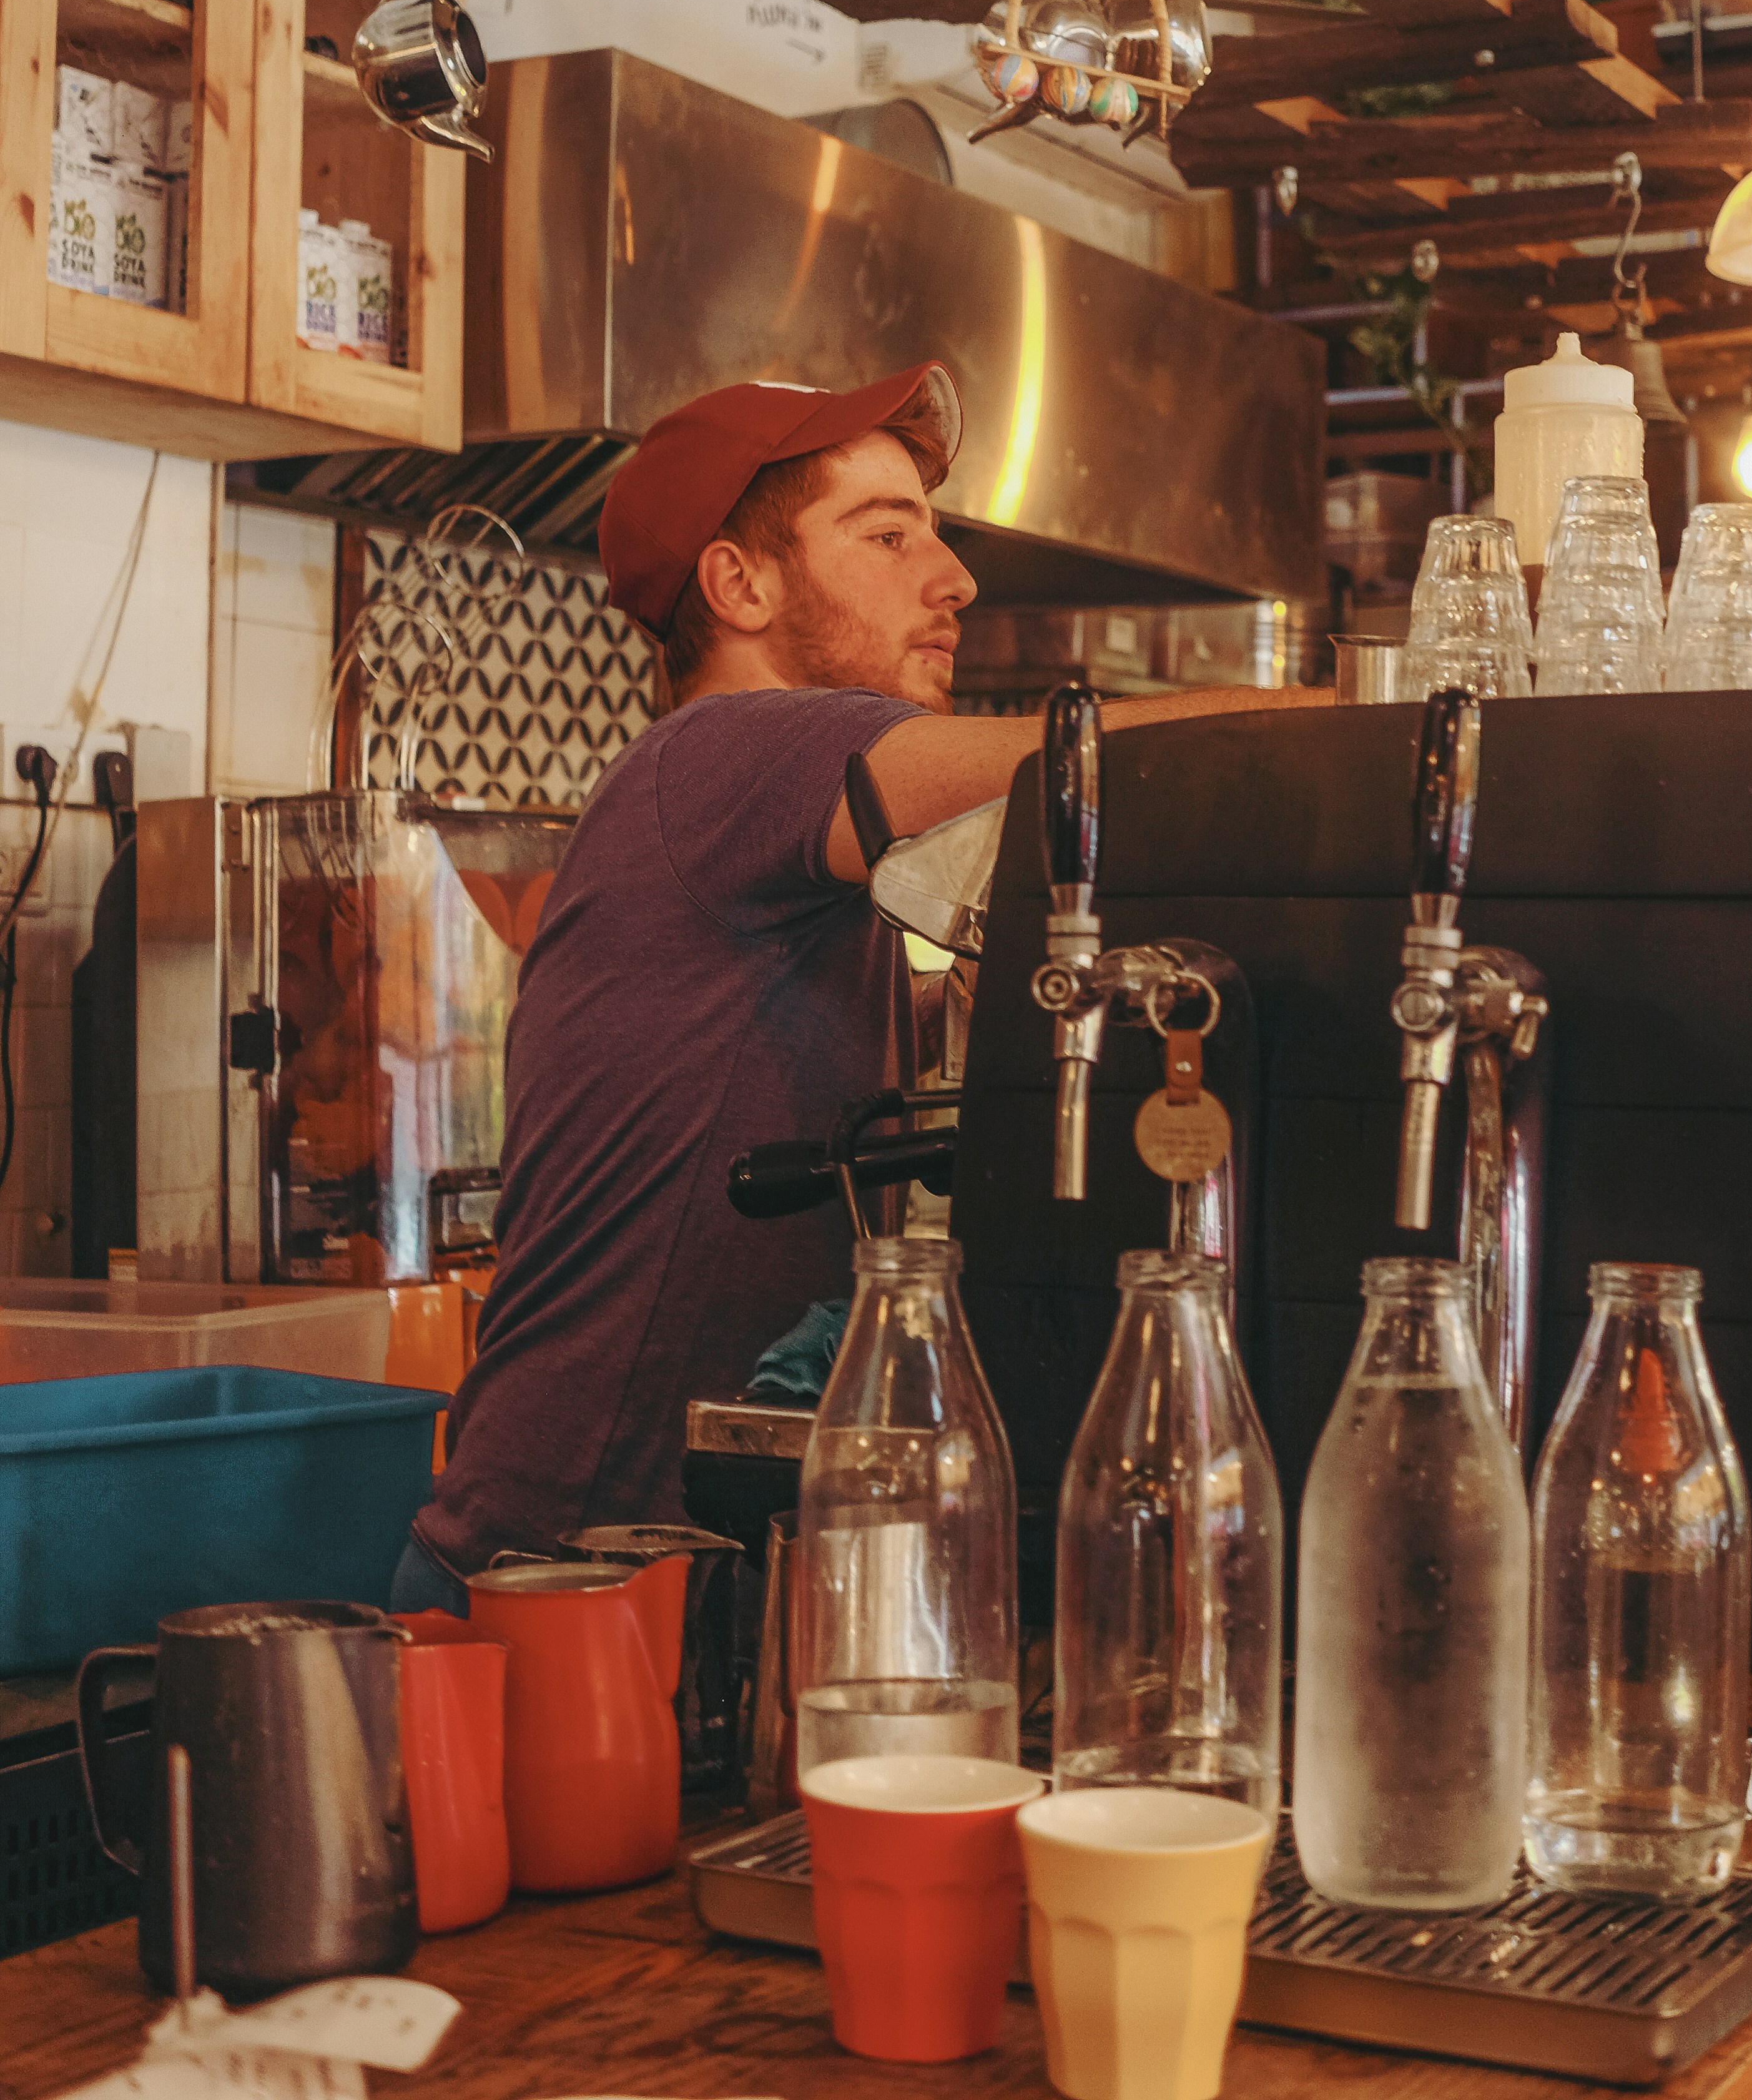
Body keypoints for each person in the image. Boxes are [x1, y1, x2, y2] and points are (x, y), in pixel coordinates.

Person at [392, 362, 1328, 1607]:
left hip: (667, 1574)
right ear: (740, 584)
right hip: (551, 1595)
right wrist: (1373, 720)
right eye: (888, 537)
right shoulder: (724, 752)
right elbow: (1080, 766)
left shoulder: (796, 858)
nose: (955, 583)